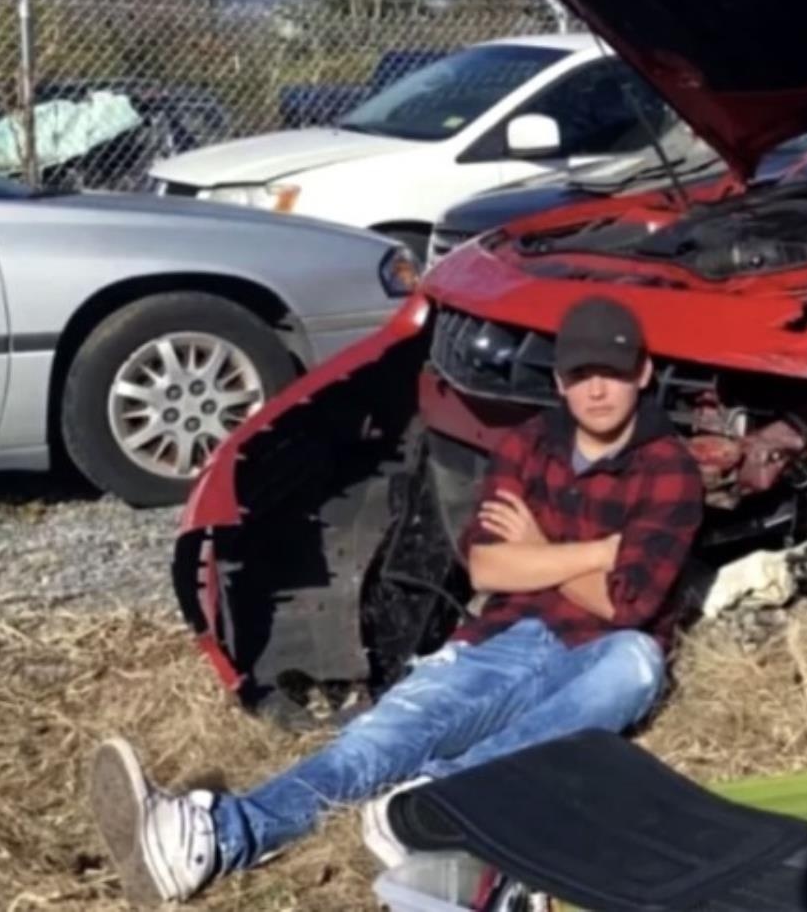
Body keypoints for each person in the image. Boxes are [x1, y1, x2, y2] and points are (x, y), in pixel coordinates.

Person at [87, 295, 704, 905]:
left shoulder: (669, 468)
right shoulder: (526, 446)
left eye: (613, 373)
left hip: (599, 655)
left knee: (638, 664)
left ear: (643, 374)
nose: (597, 390)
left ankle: (435, 807)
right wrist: (599, 552)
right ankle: (216, 837)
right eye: (581, 374)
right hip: (504, 638)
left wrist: (537, 553)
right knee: (382, 740)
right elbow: (489, 566)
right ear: (561, 381)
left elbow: (627, 607)